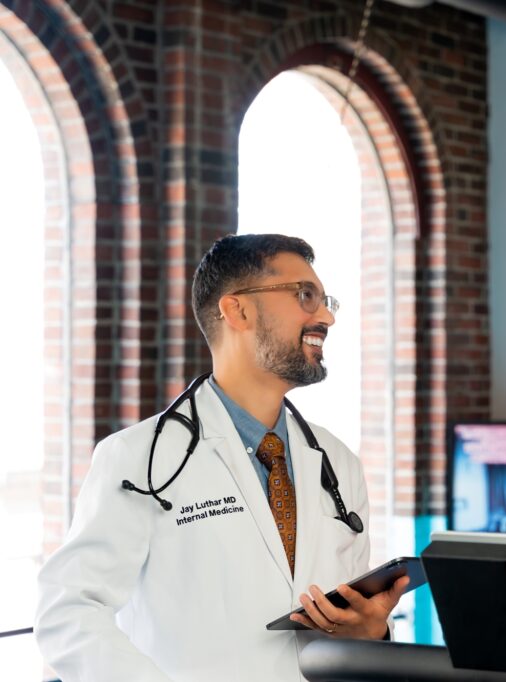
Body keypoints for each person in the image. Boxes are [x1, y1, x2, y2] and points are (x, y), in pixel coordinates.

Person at [35, 234, 407, 681]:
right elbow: (69, 610)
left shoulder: (337, 461)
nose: (325, 315)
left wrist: (372, 632)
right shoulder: (140, 459)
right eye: (305, 296)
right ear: (238, 310)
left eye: (325, 300)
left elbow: (344, 615)